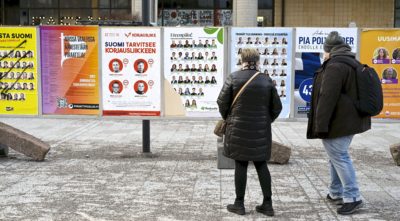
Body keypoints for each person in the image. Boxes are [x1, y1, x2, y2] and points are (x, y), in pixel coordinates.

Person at [307, 31, 370, 215]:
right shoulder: (351, 62)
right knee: (335, 155)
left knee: (339, 156)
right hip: (348, 120)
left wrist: (320, 125)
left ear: (329, 50)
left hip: (339, 121)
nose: (323, 54)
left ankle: (353, 196)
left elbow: (327, 97)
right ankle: (336, 192)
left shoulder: (335, 66)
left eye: (324, 51)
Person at [217, 48, 282, 217]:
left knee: (241, 163)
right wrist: (266, 120)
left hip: (238, 129)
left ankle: (239, 204)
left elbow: (221, 102)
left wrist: (229, 117)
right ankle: (267, 204)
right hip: (260, 131)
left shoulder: (233, 77)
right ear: (258, 61)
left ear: (242, 60)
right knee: (261, 164)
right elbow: (277, 107)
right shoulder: (266, 80)